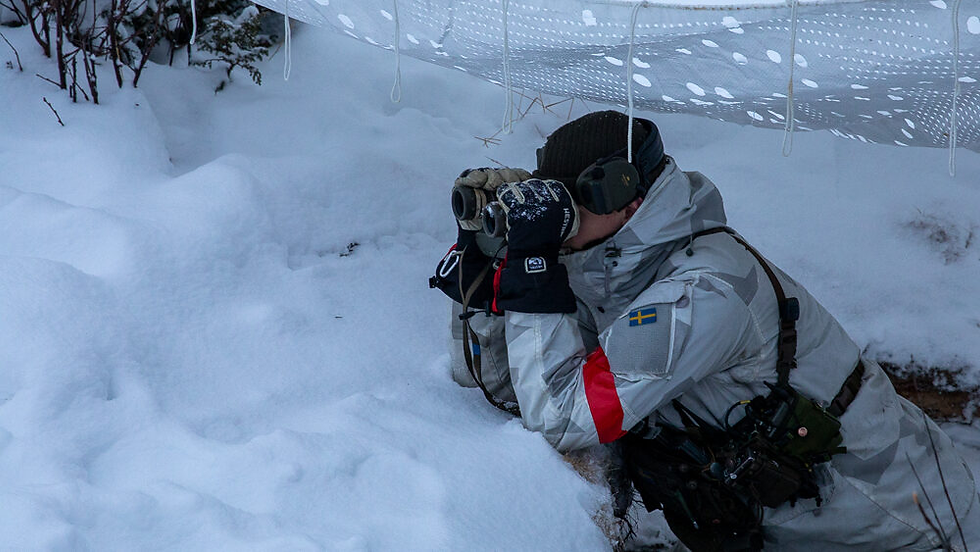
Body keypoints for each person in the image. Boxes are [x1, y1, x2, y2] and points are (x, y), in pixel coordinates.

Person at [430, 110, 979, 550]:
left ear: (623, 197)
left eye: (568, 204)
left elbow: (563, 417)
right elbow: (508, 392)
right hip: (797, 523)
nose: (558, 221)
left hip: (898, 523)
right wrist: (488, 259)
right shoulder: (601, 267)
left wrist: (533, 270)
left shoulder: (705, 292)